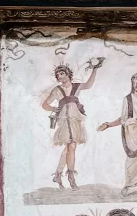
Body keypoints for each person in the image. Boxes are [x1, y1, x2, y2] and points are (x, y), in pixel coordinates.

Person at [42, 59, 103, 188]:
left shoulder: (76, 86)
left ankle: (58, 174)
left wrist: (95, 69)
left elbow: (88, 85)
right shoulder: (57, 90)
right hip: (65, 120)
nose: (60, 76)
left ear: (68, 73)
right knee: (72, 146)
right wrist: (54, 109)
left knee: (70, 147)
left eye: (62, 73)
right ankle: (70, 175)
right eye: (58, 75)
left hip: (75, 119)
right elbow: (45, 104)